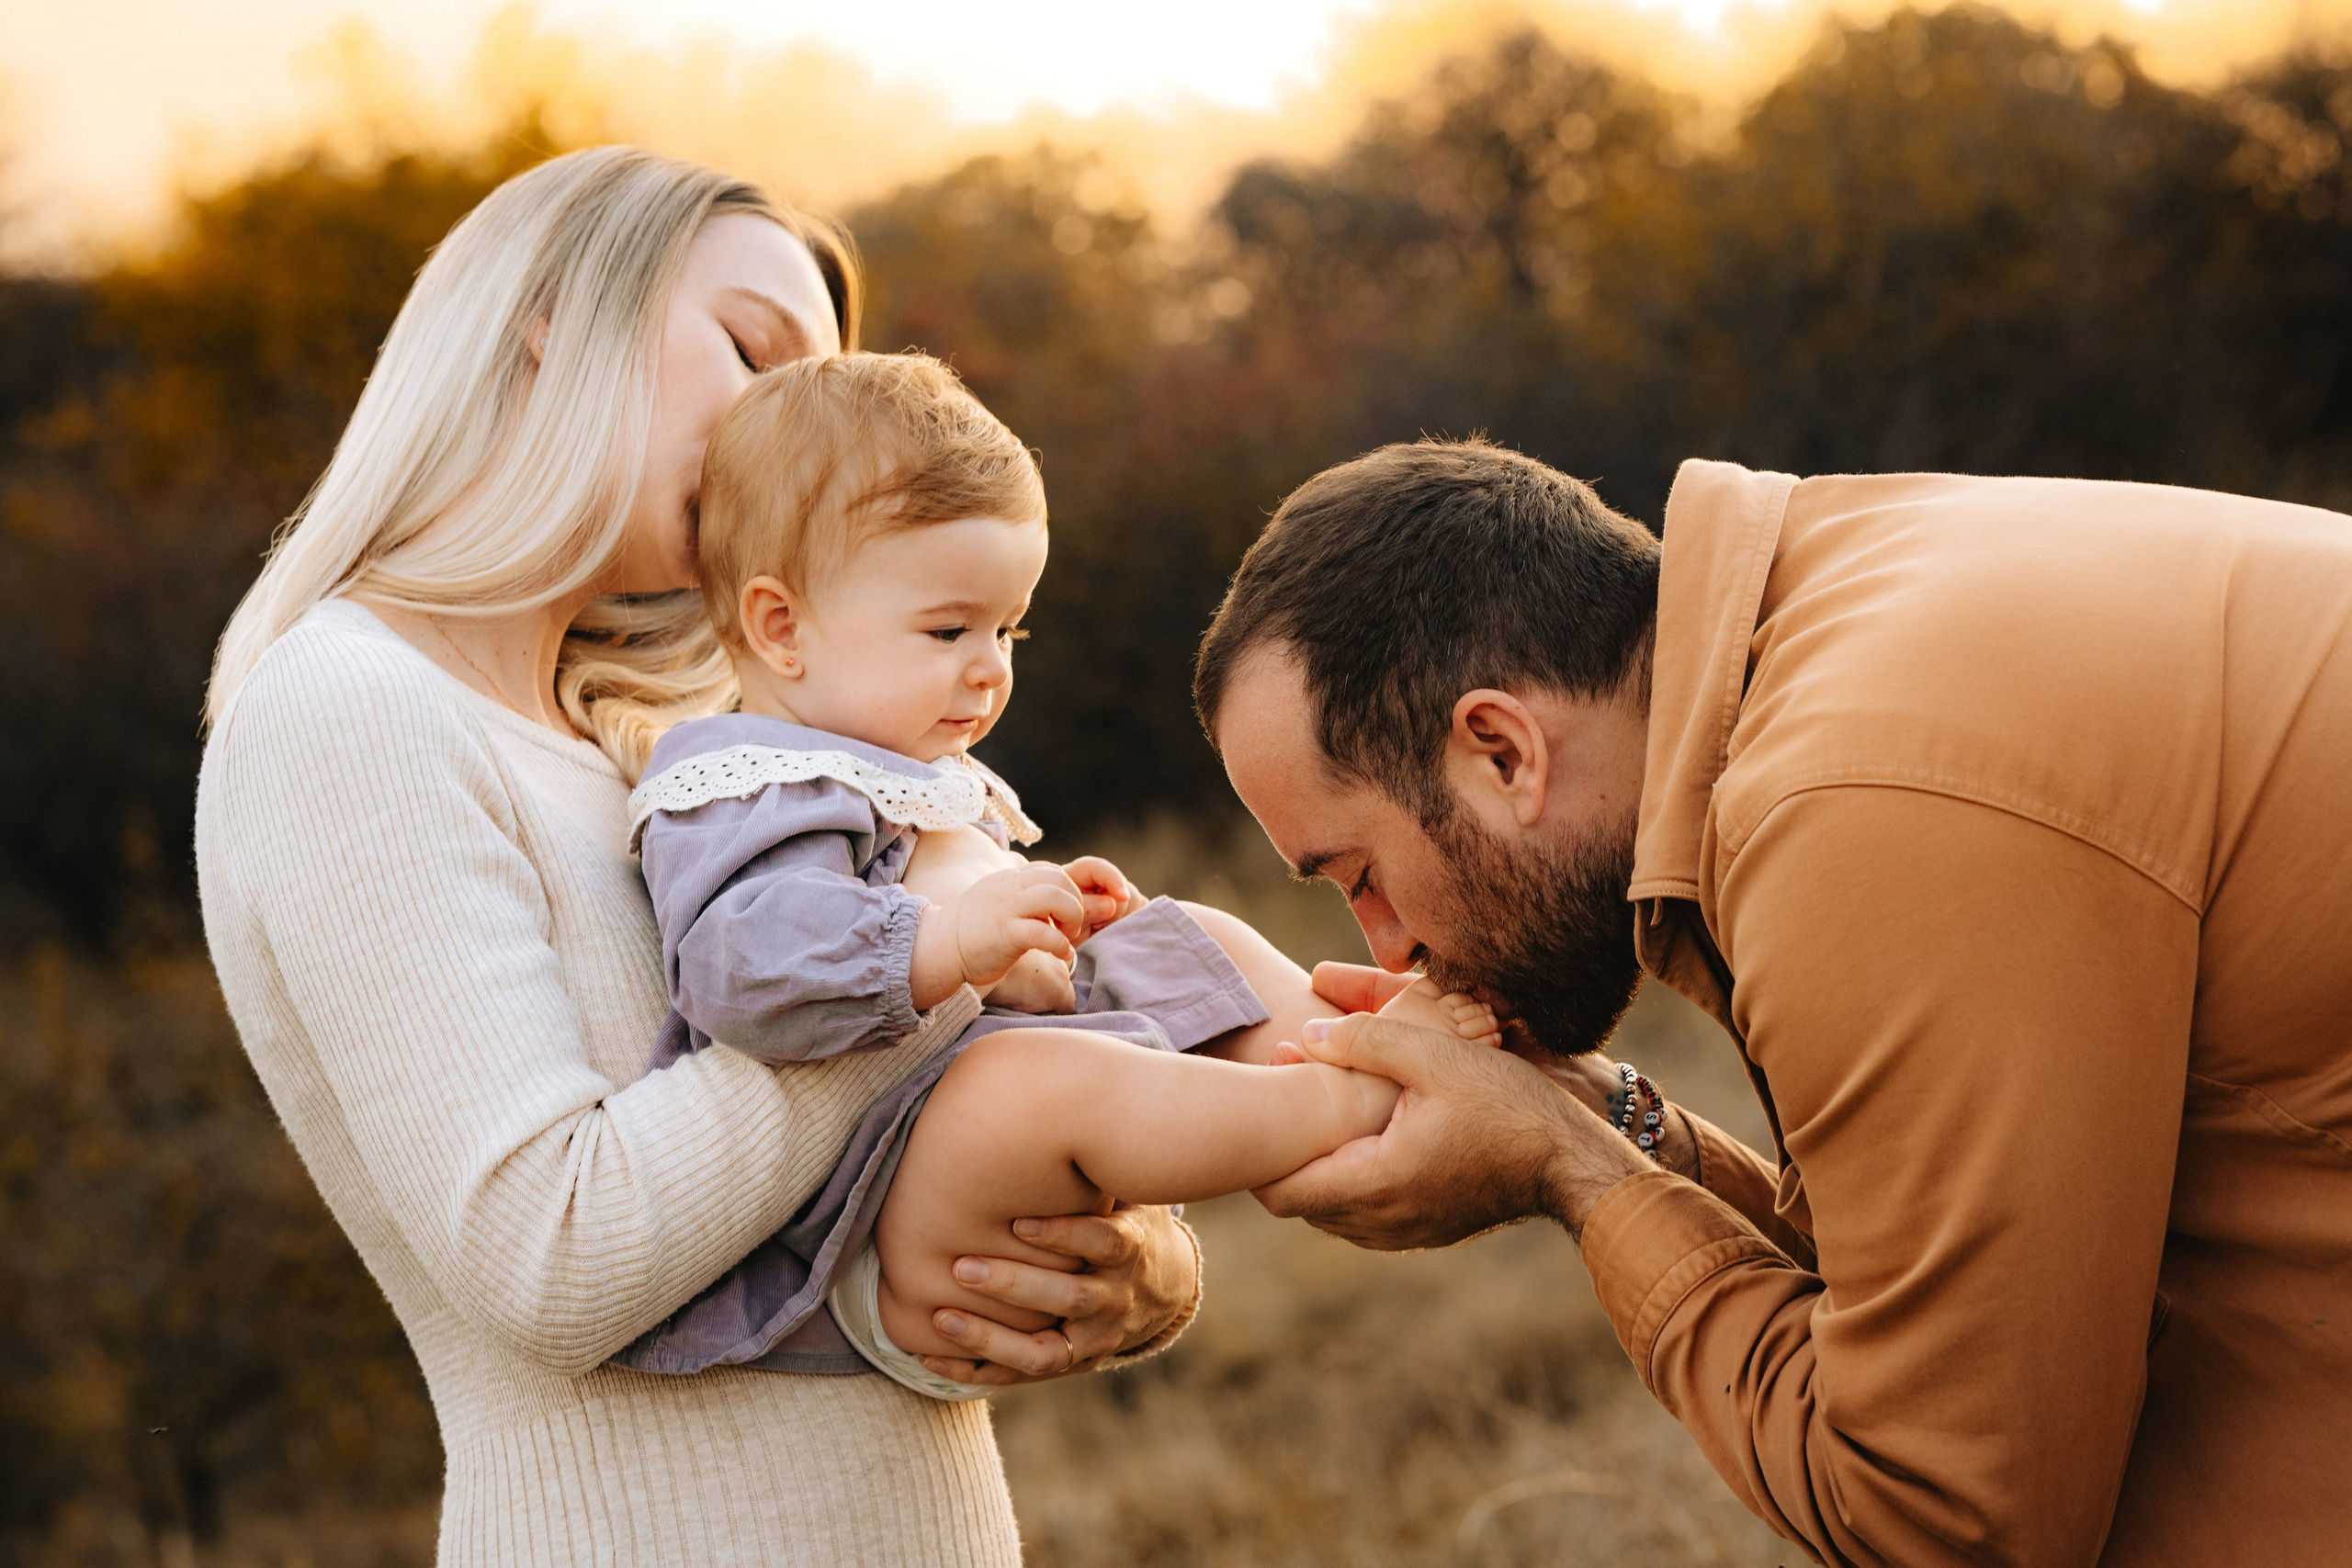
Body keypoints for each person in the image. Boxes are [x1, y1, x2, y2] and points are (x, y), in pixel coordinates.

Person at [196, 146, 1198, 1564]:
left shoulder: (699, 754)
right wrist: (924, 961)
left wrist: (1137, 1260)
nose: (794, 429)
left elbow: (892, 1159)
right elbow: (552, 1254)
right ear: (548, 324)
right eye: (752, 348)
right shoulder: (348, 710)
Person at [1192, 437, 2352, 1566]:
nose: (1389, 947)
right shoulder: (1839, 606)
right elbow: (1953, 1302)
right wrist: (1609, 1121)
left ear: (1500, 751)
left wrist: (1567, 1169)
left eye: (1361, 878)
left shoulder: (1857, 803)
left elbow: (1955, 1514)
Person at [615, 349, 1496, 1398]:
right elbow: (740, 966)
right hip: (872, 1225)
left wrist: (1054, 910)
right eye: (949, 629)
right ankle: (1341, 1110)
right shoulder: (741, 781)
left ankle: (1346, 1037)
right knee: (1025, 1086)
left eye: (1007, 628)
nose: (990, 665)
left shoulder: (897, 761)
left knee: (1186, 932)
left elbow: (955, 902)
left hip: (956, 1125)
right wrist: (950, 941)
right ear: (781, 627)